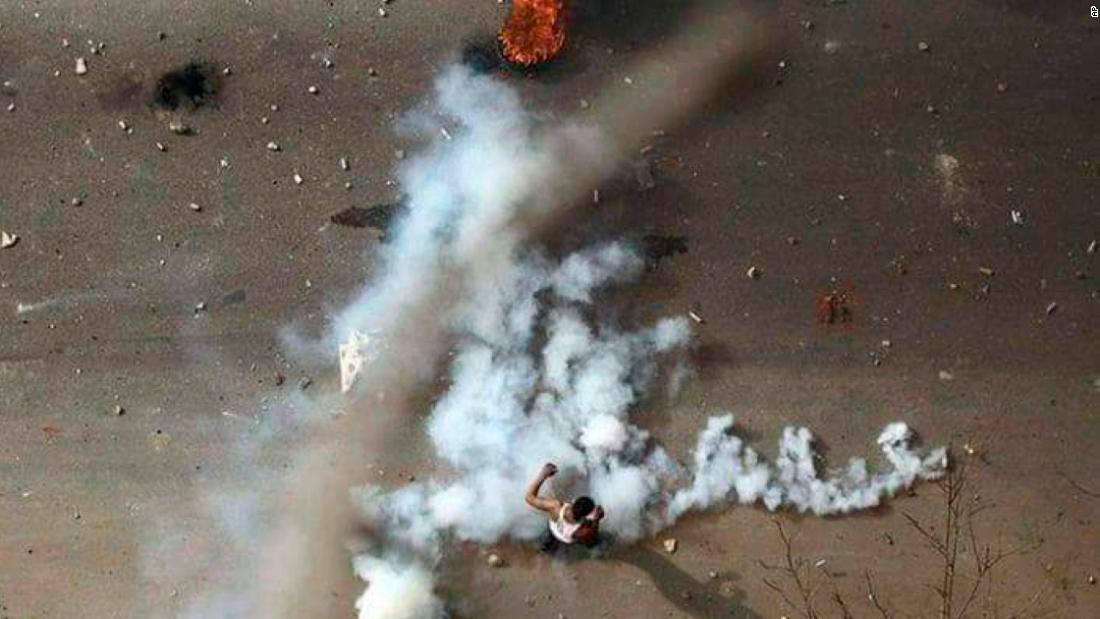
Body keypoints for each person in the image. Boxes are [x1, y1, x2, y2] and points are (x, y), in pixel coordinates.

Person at [525, 462, 605, 551]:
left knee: (550, 538)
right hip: (568, 538)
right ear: (585, 516)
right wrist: (597, 520)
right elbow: (591, 537)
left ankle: (547, 546)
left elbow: (529, 497)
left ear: (574, 501)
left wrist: (543, 475)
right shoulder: (581, 530)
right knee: (593, 541)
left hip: (554, 530)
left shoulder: (555, 507)